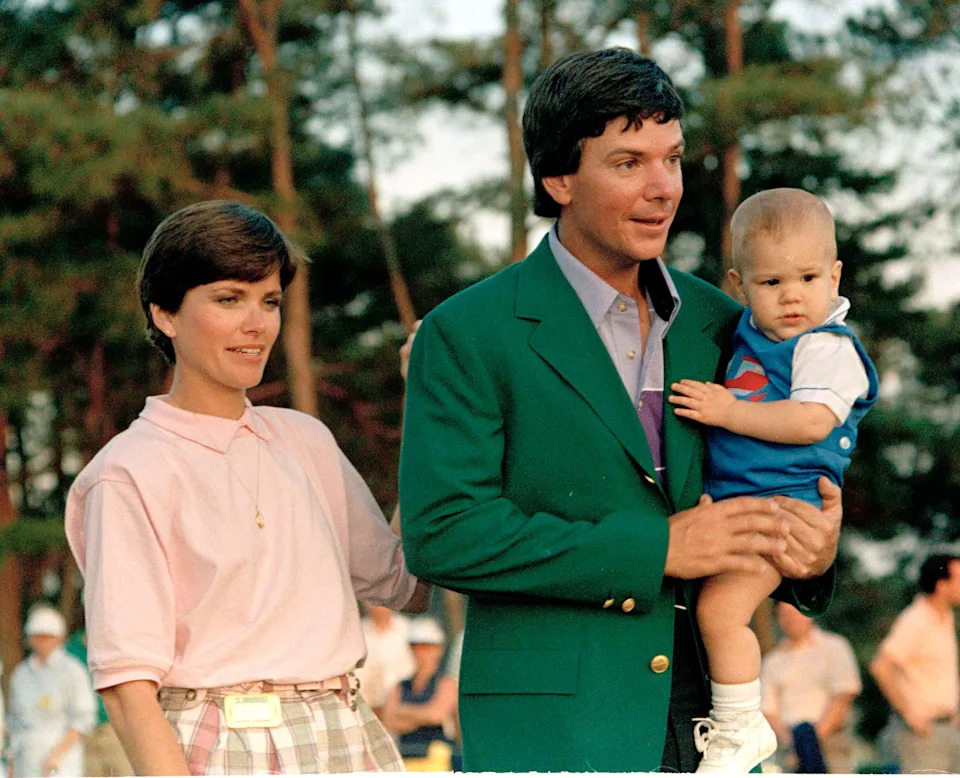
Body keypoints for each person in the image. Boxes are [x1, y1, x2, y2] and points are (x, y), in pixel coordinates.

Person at [399, 47, 843, 773]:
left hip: (717, 720)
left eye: (671, 159)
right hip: (556, 729)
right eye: (629, 162)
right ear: (558, 177)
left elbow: (775, 472)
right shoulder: (466, 333)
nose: (662, 187)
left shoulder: (731, 322)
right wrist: (657, 550)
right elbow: (444, 533)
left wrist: (811, 555)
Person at [65, 200, 429, 775]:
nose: (257, 324)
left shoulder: (305, 440)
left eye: (270, 301)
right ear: (165, 313)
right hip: (220, 745)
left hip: (346, 734)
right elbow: (126, 688)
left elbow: (408, 584)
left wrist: (429, 410)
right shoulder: (128, 472)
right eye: (229, 299)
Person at [667, 188, 877, 770]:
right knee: (713, 606)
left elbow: (810, 420)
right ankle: (735, 719)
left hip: (781, 509)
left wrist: (728, 412)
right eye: (770, 283)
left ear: (835, 275)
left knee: (720, 612)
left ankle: (740, 725)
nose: (792, 296)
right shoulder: (751, 336)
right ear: (739, 285)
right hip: (743, 501)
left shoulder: (826, 348)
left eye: (809, 278)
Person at [870, 554, 960, 773]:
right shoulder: (916, 619)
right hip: (922, 735)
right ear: (941, 585)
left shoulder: (944, 617)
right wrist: (910, 713)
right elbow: (881, 666)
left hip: (948, 729)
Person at [761, 602, 862, 773]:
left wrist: (810, 741)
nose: (790, 618)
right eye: (784, 614)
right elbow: (769, 710)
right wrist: (794, 745)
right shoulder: (772, 661)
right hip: (788, 747)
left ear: (808, 614)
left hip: (831, 743)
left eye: (795, 612)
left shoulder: (834, 647)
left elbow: (843, 697)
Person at [6, 606, 96, 778]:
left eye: (47, 636)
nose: (42, 641)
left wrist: (57, 754)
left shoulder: (72, 670)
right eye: (37, 636)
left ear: (59, 638)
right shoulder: (21, 673)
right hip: (27, 756)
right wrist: (12, 763)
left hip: (61, 760)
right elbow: (14, 720)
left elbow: (83, 717)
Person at [380, 617, 458, 772]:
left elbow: (436, 715)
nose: (422, 653)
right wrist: (423, 714)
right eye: (417, 647)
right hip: (407, 758)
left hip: (438, 761)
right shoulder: (401, 685)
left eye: (427, 647)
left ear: (439, 649)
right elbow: (388, 720)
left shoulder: (446, 682)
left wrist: (402, 710)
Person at [354, 603, 415, 718]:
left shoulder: (410, 630)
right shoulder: (356, 633)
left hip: (406, 710)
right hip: (368, 712)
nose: (379, 605)